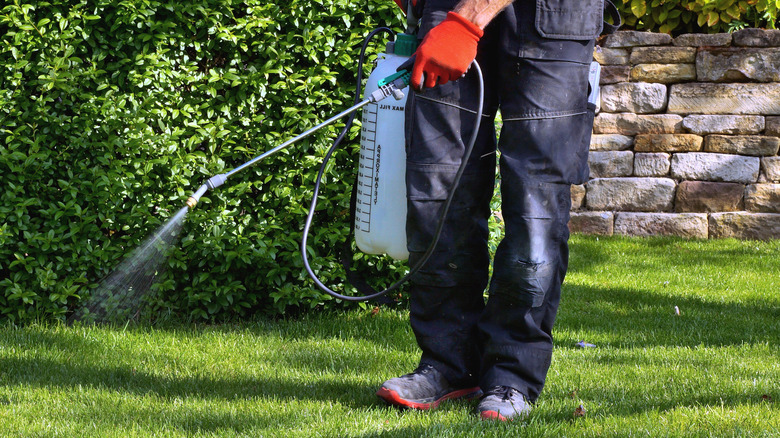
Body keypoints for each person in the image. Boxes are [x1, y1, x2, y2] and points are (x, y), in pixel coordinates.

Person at [376, 0, 608, 421]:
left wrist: (468, 20)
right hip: (444, 13)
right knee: (438, 192)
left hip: (553, 18)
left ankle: (511, 375)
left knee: (535, 206)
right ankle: (447, 364)